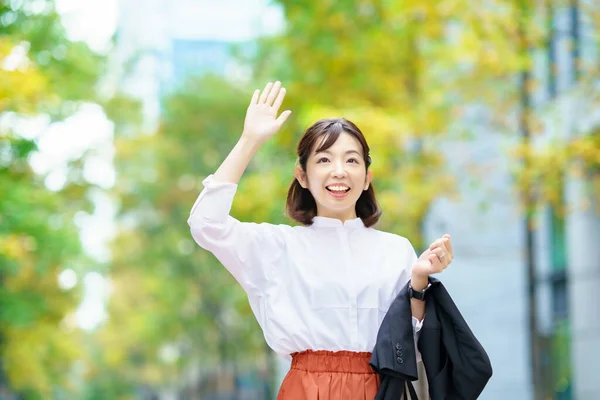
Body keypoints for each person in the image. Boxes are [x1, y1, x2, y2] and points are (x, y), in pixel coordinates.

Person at [187, 81, 454, 399]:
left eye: (352, 160)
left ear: (367, 178)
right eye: (324, 160)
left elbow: (416, 350)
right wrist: (249, 140)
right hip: (306, 389)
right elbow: (206, 224)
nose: (339, 171)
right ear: (302, 175)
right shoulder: (277, 246)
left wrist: (420, 282)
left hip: (381, 389)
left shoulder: (396, 250)